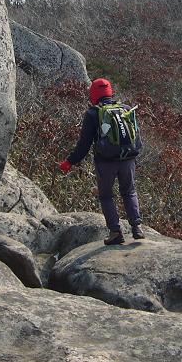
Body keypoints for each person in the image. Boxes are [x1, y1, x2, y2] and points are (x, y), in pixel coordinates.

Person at [59, 78, 144, 245]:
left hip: (106, 162)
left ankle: (115, 232)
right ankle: (137, 227)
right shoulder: (125, 109)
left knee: (105, 196)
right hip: (128, 159)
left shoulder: (93, 114)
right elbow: (136, 138)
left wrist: (69, 162)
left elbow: (84, 144)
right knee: (129, 191)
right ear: (110, 91)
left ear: (93, 94)